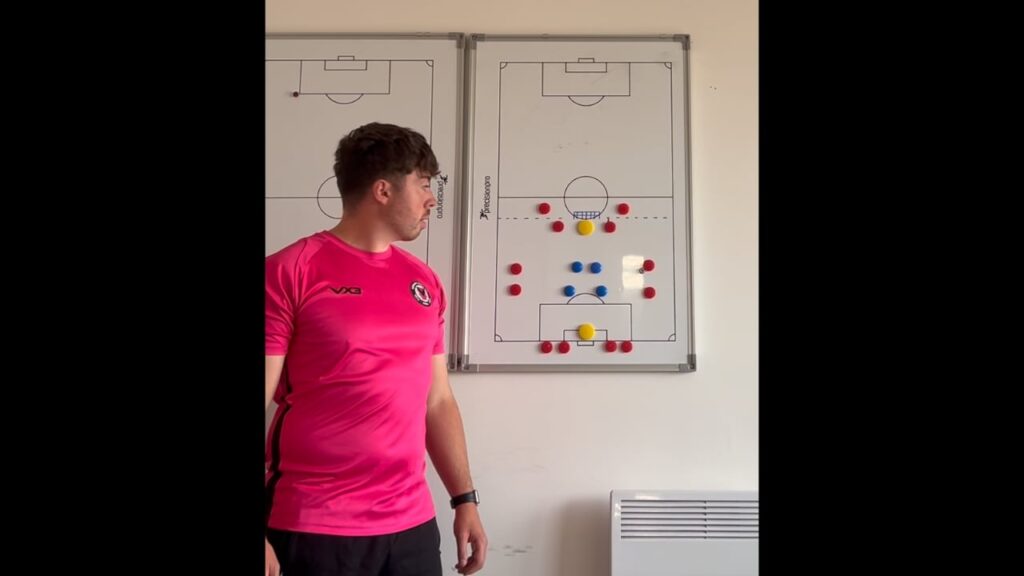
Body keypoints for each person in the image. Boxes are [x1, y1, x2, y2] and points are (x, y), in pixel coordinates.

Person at [264, 122, 487, 576]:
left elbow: (437, 400)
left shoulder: (424, 282)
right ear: (383, 190)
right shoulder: (290, 271)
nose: (432, 200)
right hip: (314, 523)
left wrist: (464, 499)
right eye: (423, 184)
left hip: (411, 526)